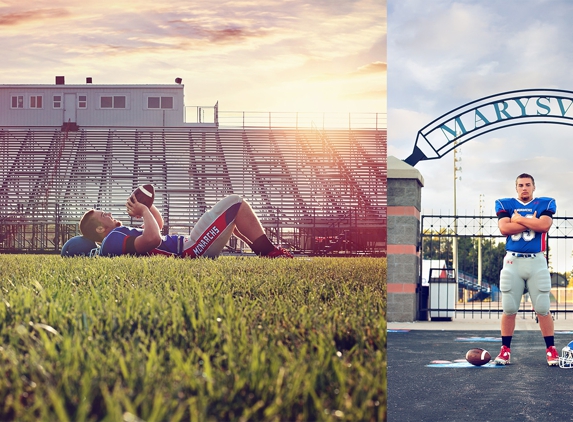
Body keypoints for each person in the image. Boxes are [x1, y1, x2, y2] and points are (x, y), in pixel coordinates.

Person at [79, 193, 293, 259]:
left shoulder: (117, 236)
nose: (108, 213)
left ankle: (266, 251)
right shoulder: (112, 239)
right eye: (103, 215)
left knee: (231, 214)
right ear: (99, 229)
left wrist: (148, 207)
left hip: (187, 246)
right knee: (235, 203)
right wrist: (143, 212)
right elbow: (153, 239)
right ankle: (269, 252)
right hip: (189, 251)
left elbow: (158, 228)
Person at [493, 173, 558, 366]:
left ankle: (550, 349)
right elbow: (504, 229)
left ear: (533, 187)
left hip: (537, 261)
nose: (524, 188)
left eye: (528, 184)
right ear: (516, 188)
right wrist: (531, 222)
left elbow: (544, 225)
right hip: (513, 261)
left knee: (542, 308)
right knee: (509, 308)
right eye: (520, 185)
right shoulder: (505, 204)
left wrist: (518, 219)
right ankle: (505, 350)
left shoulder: (545, 203)